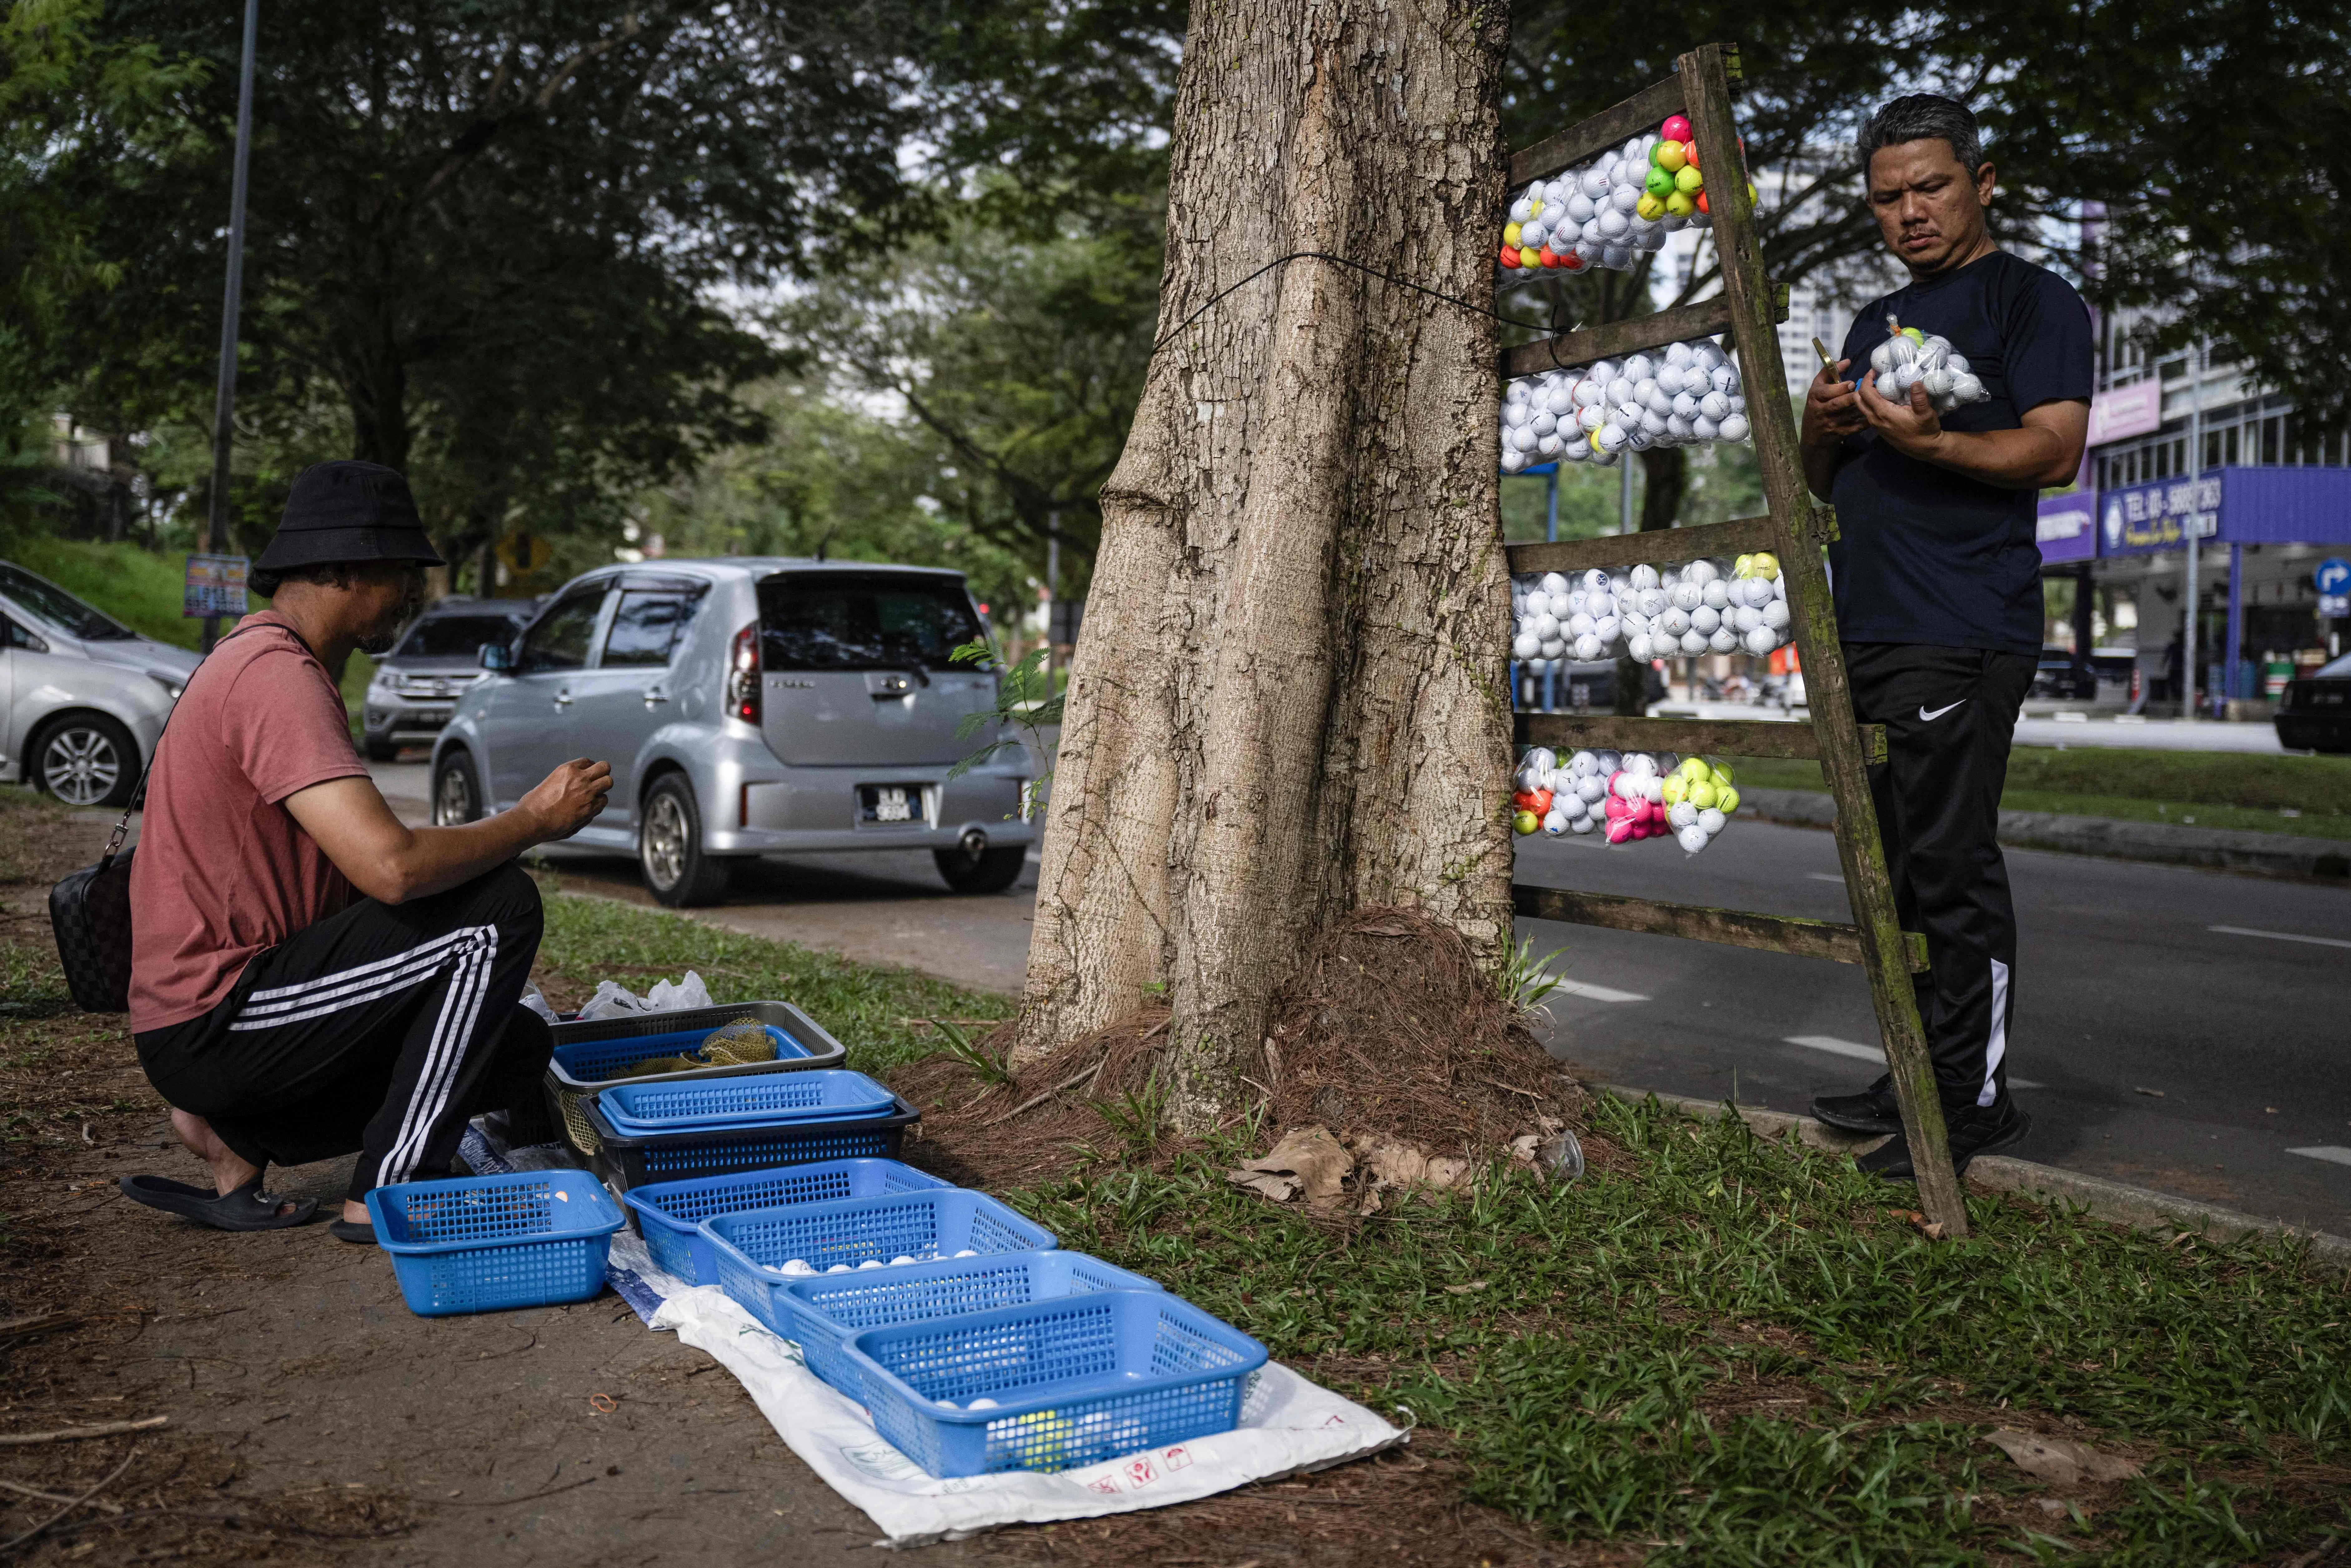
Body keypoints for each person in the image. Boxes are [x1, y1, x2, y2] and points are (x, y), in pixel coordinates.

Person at [120, 460, 611, 1241]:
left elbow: (372, 879)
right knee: (499, 908)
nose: (414, 591)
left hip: (231, 1015)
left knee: (515, 1048)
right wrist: (532, 820)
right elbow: (393, 867)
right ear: (344, 566)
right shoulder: (276, 678)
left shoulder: (263, 658)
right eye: (402, 572)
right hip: (218, 1016)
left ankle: (241, 1137)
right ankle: (391, 1188)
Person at [1797, 95, 2091, 1179]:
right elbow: (1820, 479)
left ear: (1980, 181)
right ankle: (1914, 1071)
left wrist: (1933, 445)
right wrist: (1818, 431)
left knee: (1948, 869)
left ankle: (1969, 1101)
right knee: (1890, 874)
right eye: (1887, 197)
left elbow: (2052, 451)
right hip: (1864, 626)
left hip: (1961, 628)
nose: (1910, 212)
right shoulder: (1875, 323)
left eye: (1930, 187)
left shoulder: (2032, 299)